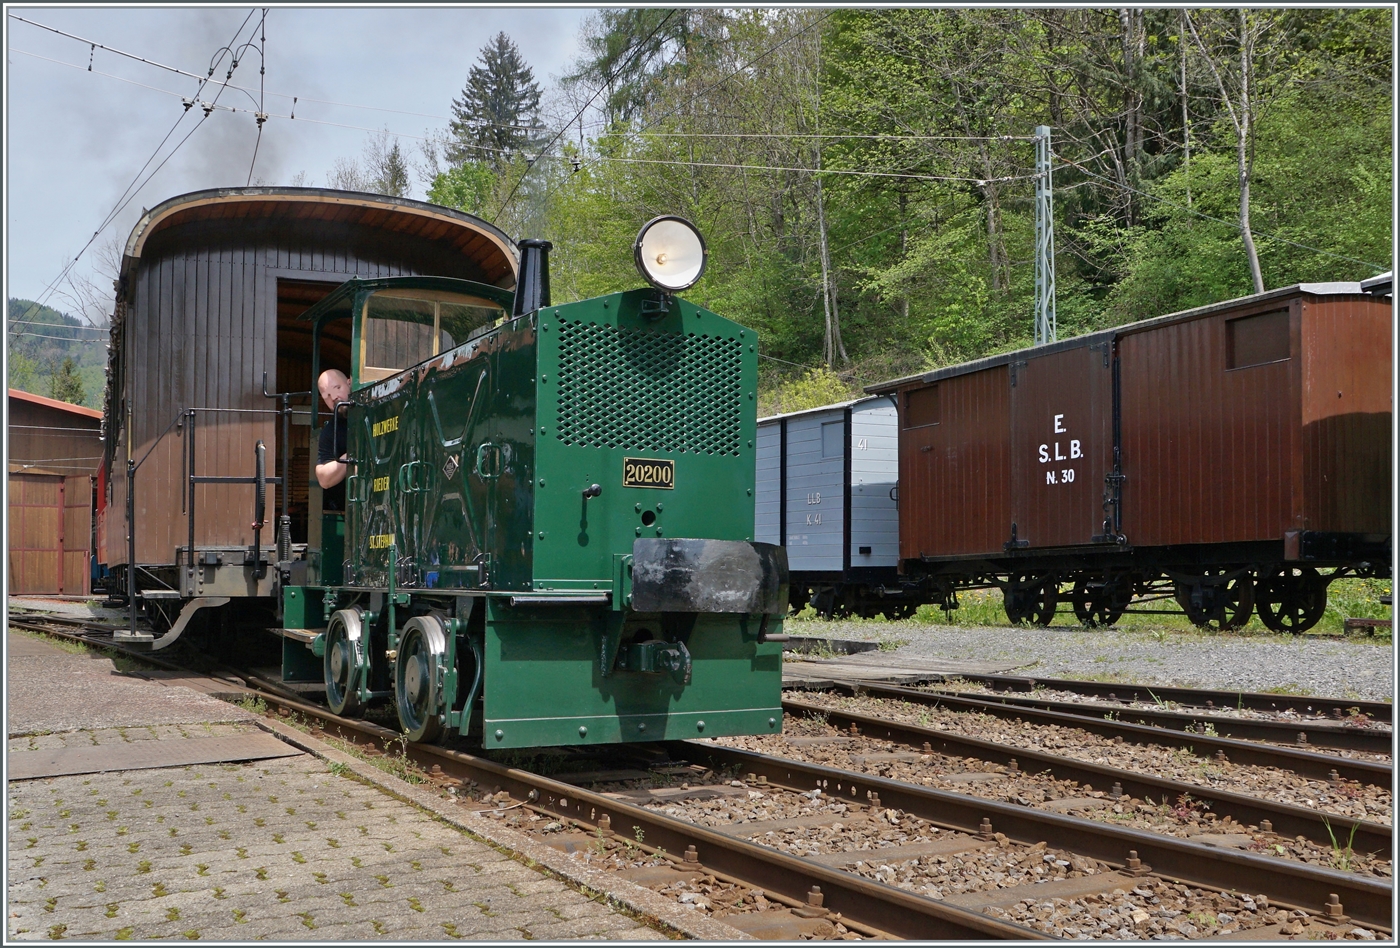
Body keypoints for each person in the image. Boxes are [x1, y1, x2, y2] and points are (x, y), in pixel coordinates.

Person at [315, 369, 351, 511]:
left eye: (337, 388)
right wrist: (352, 455)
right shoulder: (330, 431)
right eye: (327, 395)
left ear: (349, 383)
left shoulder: (374, 410)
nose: (334, 397)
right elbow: (323, 478)